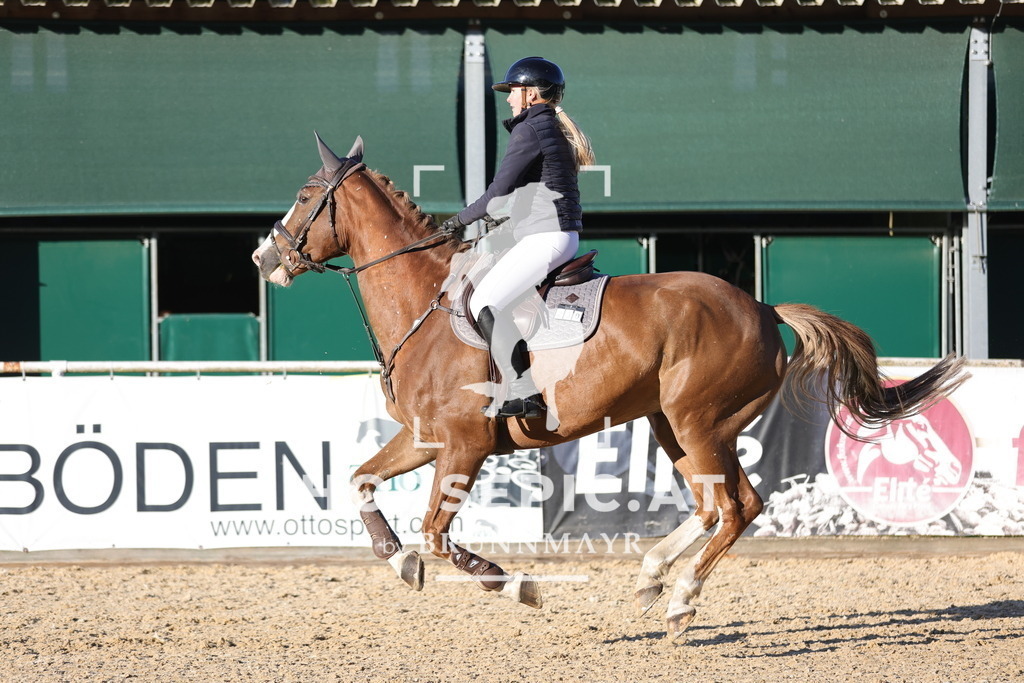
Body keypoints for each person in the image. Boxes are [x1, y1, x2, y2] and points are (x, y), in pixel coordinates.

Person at [440, 56, 594, 419]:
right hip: (550, 233)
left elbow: (497, 191)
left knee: (484, 302)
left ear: (531, 94)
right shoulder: (546, 126)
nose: (509, 99)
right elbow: (528, 193)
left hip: (547, 237)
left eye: (513, 92)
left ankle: (524, 392)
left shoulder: (531, 128)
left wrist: (455, 222)